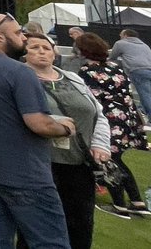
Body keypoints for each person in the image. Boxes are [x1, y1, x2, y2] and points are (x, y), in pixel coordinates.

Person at [0, 13, 74, 248]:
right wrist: (65, 128)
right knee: (50, 240)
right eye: (18, 32)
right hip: (23, 170)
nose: (24, 37)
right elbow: (38, 123)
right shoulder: (19, 72)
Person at [19, 32, 111, 248]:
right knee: (37, 226)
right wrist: (54, 124)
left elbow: (97, 113)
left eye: (46, 47)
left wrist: (100, 144)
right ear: (24, 52)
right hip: (39, 163)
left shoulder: (73, 78)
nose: (41, 51)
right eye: (34, 47)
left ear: (54, 53)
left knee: (80, 224)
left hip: (79, 163)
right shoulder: (19, 77)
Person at [76, 32, 150, 219]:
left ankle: (120, 203)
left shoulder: (87, 72)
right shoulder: (116, 68)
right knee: (116, 159)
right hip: (126, 117)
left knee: (109, 160)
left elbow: (89, 100)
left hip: (108, 120)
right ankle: (136, 201)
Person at [109, 29, 151, 119]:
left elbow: (112, 57)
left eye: (120, 35)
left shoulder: (120, 43)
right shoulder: (145, 45)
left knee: (145, 95)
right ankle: (142, 110)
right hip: (149, 70)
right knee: (147, 94)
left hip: (137, 71)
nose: (120, 37)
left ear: (125, 35)